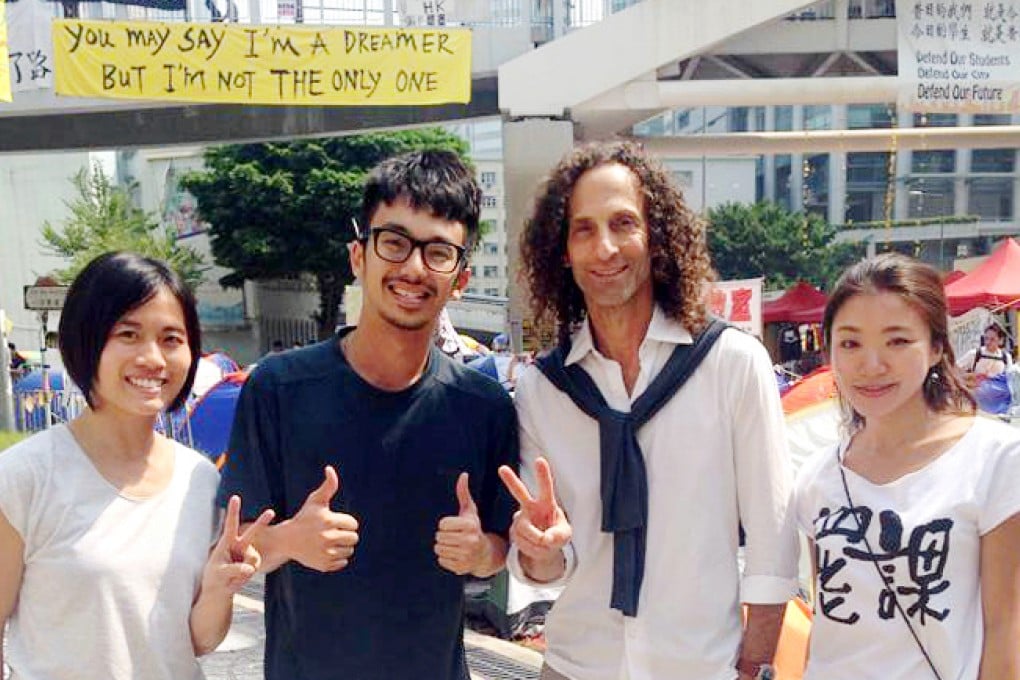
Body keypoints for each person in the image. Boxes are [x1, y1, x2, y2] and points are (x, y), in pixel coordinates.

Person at [501, 141, 799, 680]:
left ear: (655, 236)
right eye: (583, 229)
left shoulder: (731, 364)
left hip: (700, 668)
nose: (605, 248)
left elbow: (773, 538)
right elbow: (553, 567)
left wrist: (755, 666)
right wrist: (538, 549)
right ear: (563, 251)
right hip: (575, 667)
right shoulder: (543, 390)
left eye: (623, 224)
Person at [217, 150, 519, 680]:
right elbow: (237, 545)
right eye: (394, 243)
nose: (413, 268)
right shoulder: (279, 388)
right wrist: (290, 539)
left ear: (461, 278)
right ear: (359, 256)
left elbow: (500, 546)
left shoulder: (484, 406)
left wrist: (478, 553)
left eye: (438, 252)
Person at [0, 251, 272, 680]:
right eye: (128, 334)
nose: (154, 358)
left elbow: (196, 641)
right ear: (86, 341)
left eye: (171, 339)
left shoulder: (199, 479)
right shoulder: (24, 477)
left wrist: (220, 587)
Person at [793, 254, 1020, 680]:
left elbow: (1005, 630)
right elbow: (828, 620)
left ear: (935, 347)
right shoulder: (818, 478)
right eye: (850, 343)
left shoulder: (997, 459)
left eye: (897, 341)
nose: (872, 365)